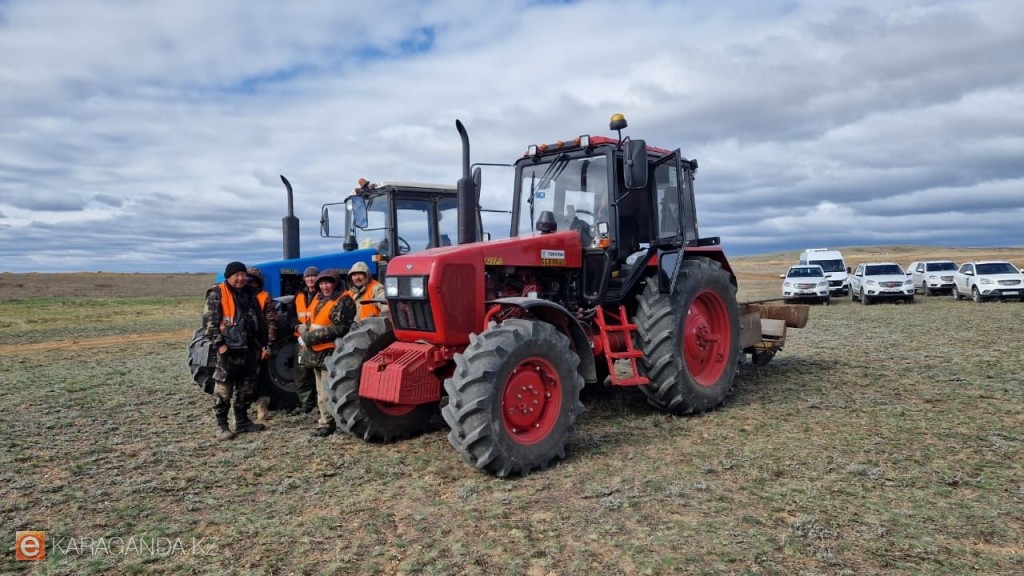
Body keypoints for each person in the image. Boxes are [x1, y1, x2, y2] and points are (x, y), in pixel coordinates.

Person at [203, 261, 267, 441]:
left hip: (249, 348)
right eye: (236, 275)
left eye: (243, 275)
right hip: (229, 350)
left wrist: (262, 342)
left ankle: (242, 421)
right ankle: (222, 426)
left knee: (247, 388)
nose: (240, 278)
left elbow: (258, 318)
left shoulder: (249, 293)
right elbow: (210, 324)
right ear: (228, 276)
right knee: (224, 389)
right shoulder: (217, 294)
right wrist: (221, 346)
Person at [297, 269, 357, 437]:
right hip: (316, 353)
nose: (324, 286)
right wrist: (304, 331)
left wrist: (308, 337)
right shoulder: (320, 299)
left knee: (326, 392)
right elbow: (313, 322)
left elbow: (340, 328)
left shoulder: (344, 301)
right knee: (320, 391)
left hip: (331, 353)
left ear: (335, 284)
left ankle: (328, 424)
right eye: (322, 283)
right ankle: (326, 421)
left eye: (328, 283)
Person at [246, 267, 278, 422]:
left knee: (260, 374)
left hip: (259, 342)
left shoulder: (264, 297)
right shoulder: (240, 295)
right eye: (248, 280)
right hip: (242, 342)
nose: (249, 283)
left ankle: (262, 403)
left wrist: (269, 344)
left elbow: (271, 321)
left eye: (253, 281)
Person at [288, 266, 320, 416]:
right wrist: (296, 326)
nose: (310, 279)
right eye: (308, 276)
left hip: (319, 340)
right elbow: (291, 315)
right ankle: (306, 404)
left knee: (319, 374)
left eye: (313, 276)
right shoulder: (299, 295)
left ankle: (321, 405)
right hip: (301, 341)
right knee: (301, 374)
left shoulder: (324, 294)